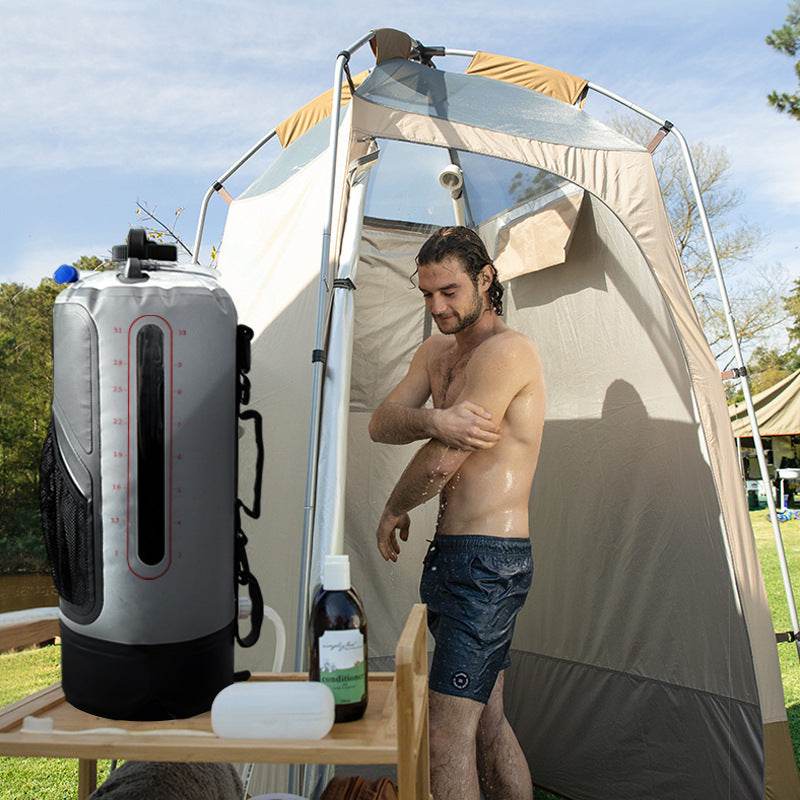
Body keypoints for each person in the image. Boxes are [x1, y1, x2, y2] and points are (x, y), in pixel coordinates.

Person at [369, 226, 546, 800]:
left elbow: (446, 462)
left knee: (445, 740)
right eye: (426, 294)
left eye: (448, 291)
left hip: (488, 564)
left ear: (485, 279)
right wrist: (434, 418)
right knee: (486, 728)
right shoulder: (434, 353)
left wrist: (395, 506)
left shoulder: (509, 351)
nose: (436, 306)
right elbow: (382, 422)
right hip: (451, 558)